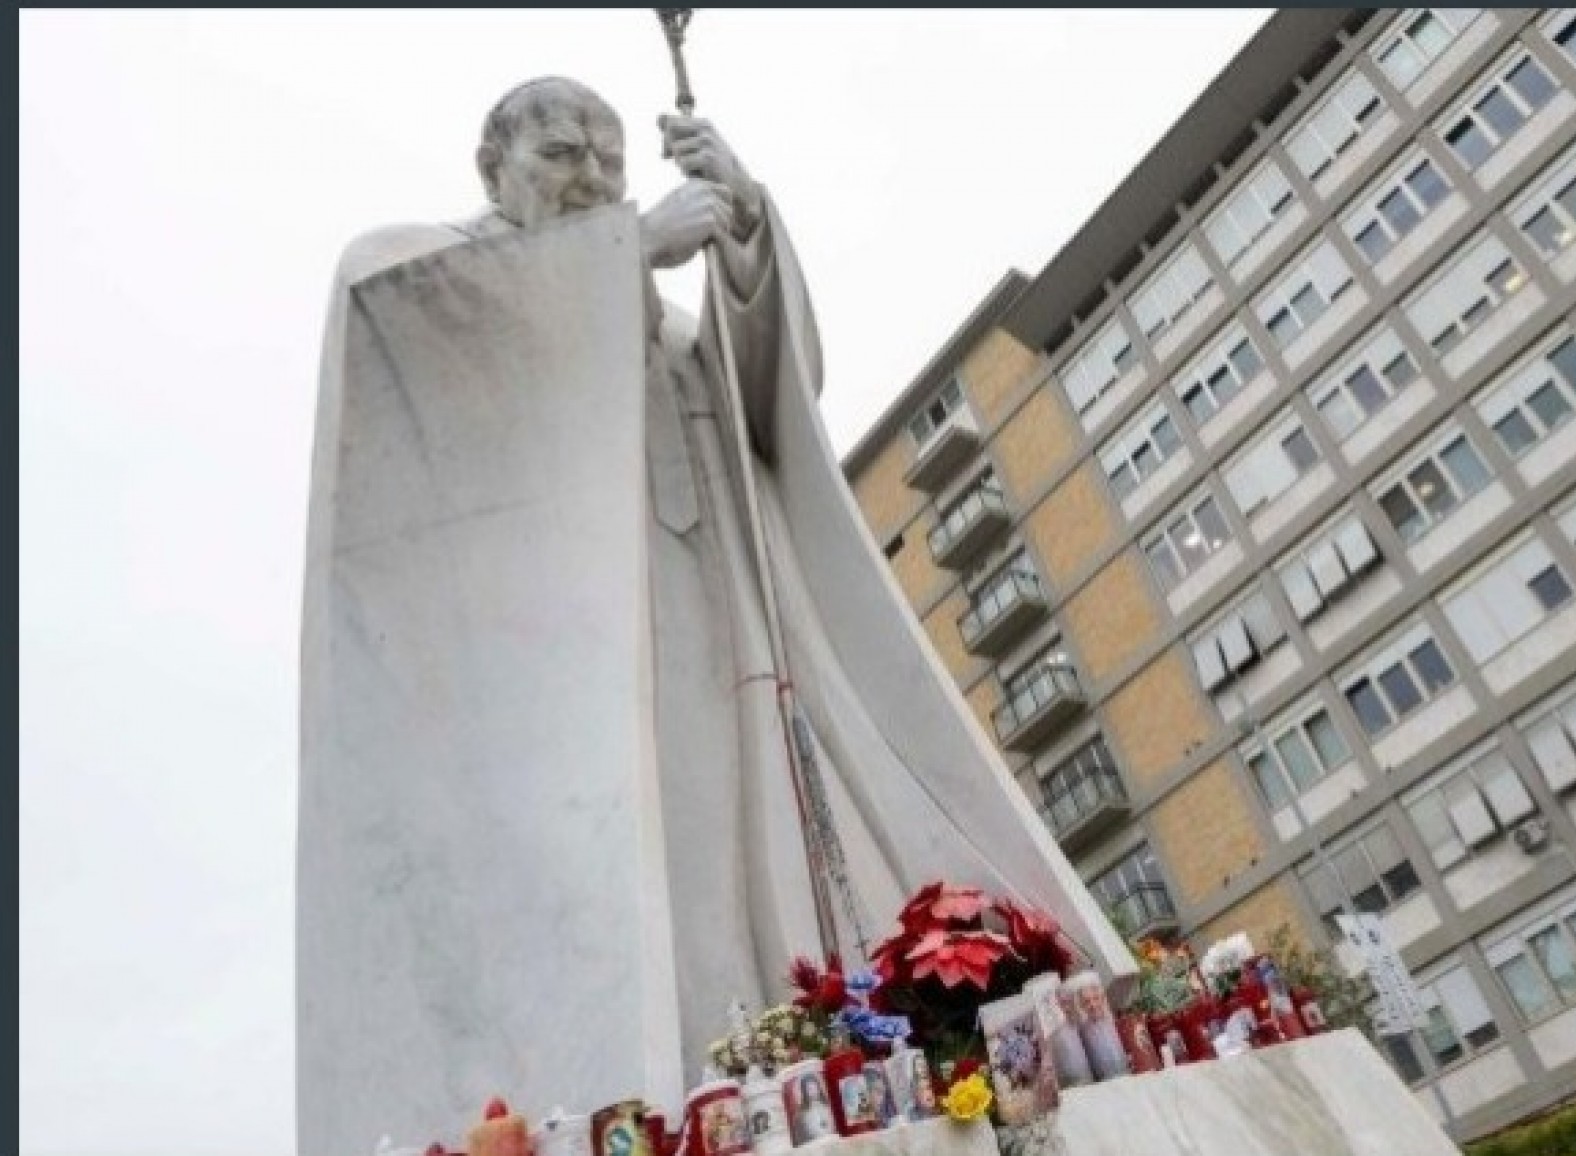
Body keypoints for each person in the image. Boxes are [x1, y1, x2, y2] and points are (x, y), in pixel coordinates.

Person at [298, 76, 1129, 1156]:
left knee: (737, 878)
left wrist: (745, 232)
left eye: (609, 159)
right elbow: (408, 327)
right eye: (561, 155)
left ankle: (766, 1079)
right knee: (645, 885)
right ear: (491, 166)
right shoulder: (421, 262)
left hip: (716, 634)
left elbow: (778, 401)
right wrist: (624, 253)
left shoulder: (667, 325)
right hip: (560, 676)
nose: (593, 180)